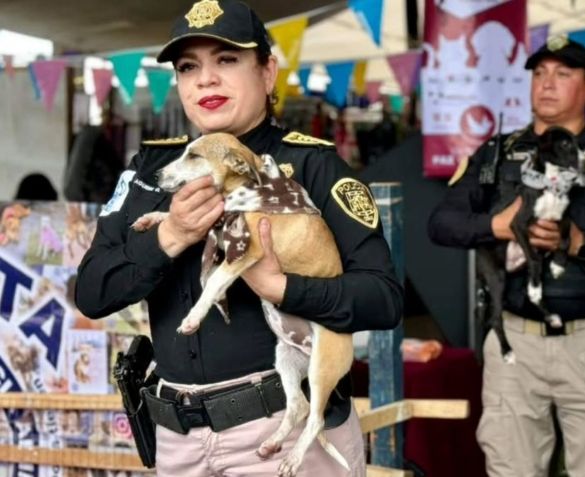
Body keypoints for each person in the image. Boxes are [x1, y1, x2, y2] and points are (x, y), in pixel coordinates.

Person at [74, 1, 403, 475]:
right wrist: (169, 236)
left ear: (268, 72)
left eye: (226, 59)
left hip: (282, 430)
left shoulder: (311, 166)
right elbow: (92, 292)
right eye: (189, 67)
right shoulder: (151, 173)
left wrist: (283, 288)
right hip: (177, 440)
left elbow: (383, 299)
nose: (205, 79)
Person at [427, 34, 585, 477]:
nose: (547, 83)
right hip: (513, 341)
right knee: (510, 468)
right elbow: (440, 224)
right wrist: (497, 226)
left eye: (562, 74)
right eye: (539, 74)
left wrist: (580, 244)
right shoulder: (498, 154)